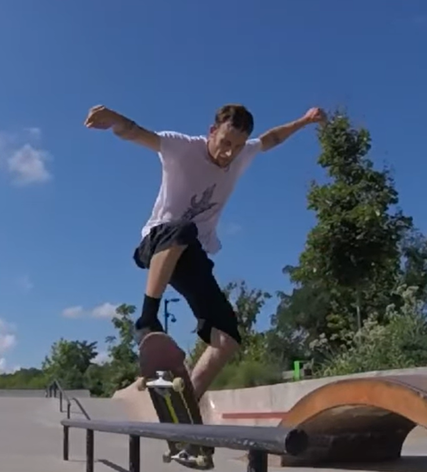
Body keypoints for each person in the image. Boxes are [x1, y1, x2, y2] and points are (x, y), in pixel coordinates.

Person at [84, 102, 327, 400]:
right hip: (158, 241)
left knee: (227, 336)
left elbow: (271, 139)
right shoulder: (182, 147)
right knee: (183, 229)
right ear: (212, 132)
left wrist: (304, 120)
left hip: (192, 254)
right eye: (225, 143)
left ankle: (188, 401)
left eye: (237, 146)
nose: (229, 153)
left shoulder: (242, 154)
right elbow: (138, 134)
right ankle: (147, 320)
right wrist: (113, 119)